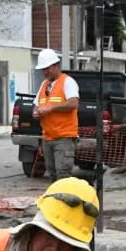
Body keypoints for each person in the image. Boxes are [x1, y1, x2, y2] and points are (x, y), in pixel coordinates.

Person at [33, 48, 80, 180]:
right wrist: (36, 112)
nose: (45, 72)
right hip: (48, 138)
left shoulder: (67, 82)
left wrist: (50, 108)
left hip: (63, 138)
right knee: (53, 176)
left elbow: (73, 104)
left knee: (63, 175)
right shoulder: (44, 85)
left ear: (56, 66)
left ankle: (66, 199)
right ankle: (56, 200)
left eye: (47, 68)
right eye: (43, 69)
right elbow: (37, 105)